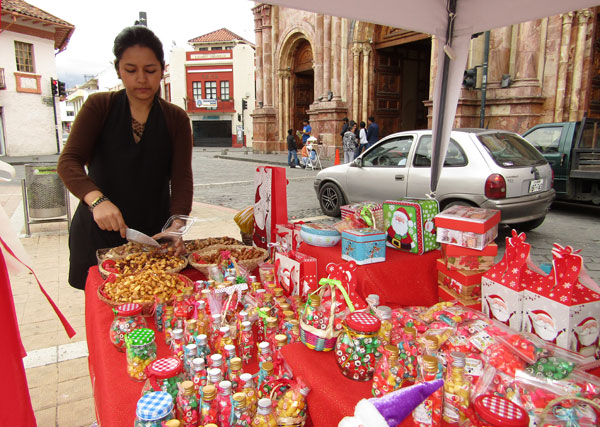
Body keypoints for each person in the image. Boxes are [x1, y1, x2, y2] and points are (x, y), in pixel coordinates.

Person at [57, 25, 193, 290]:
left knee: (152, 306)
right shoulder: (99, 106)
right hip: (99, 231)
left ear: (162, 69)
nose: (141, 79)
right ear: (118, 68)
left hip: (153, 233)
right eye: (131, 70)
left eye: (150, 70)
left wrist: (177, 223)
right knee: (106, 312)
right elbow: (69, 162)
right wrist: (97, 201)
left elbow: (181, 177)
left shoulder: (175, 118)